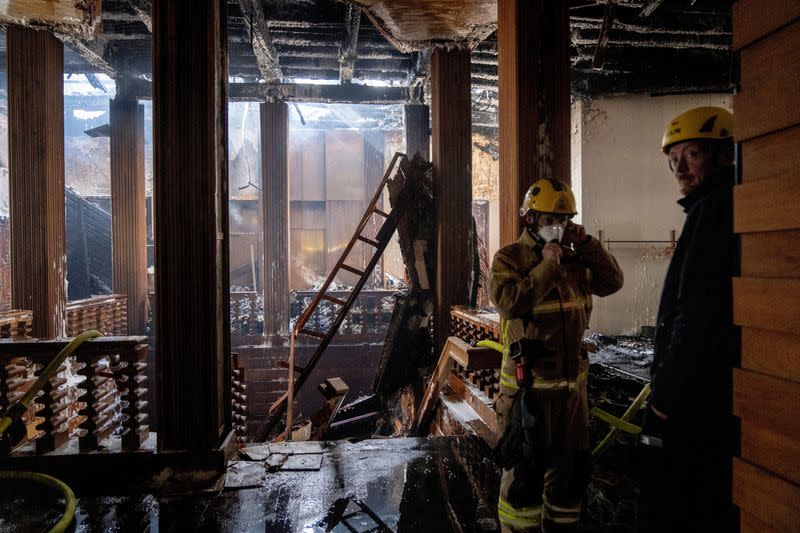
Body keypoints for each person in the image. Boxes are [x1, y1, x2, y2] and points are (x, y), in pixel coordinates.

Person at [489, 178, 623, 532]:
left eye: (564, 220)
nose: (557, 226)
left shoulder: (576, 259)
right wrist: (546, 266)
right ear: (530, 219)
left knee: (569, 481)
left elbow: (613, 282)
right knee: (523, 483)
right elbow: (508, 303)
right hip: (527, 394)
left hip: (571, 395)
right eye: (550, 218)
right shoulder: (510, 258)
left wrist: (588, 244)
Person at [638, 106, 739, 532]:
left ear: (721, 155)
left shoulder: (712, 212)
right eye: (673, 158)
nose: (679, 167)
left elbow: (694, 315)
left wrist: (662, 399)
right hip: (707, 395)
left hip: (693, 404)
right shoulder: (717, 206)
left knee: (677, 506)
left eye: (692, 154)